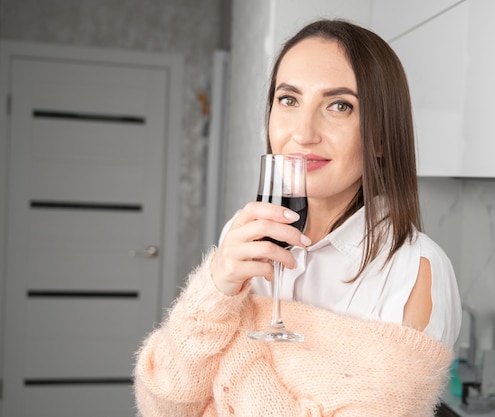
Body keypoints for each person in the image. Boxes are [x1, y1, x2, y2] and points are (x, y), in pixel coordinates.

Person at [134, 19, 462, 417]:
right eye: (288, 100)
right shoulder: (245, 233)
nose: (303, 133)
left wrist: (233, 363)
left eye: (339, 106)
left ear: (379, 136)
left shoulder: (414, 270)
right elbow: (164, 404)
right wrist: (216, 286)